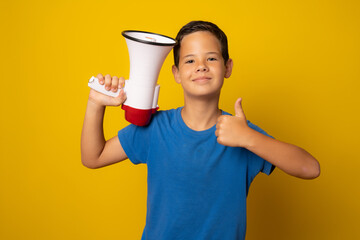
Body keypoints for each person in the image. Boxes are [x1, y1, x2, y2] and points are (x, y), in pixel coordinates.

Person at [81, 21, 320, 240]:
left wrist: (249, 138)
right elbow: (93, 157)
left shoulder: (243, 134)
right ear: (176, 73)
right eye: (190, 60)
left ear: (228, 67)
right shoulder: (156, 128)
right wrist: (95, 104)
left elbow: (310, 168)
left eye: (212, 59)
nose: (201, 67)